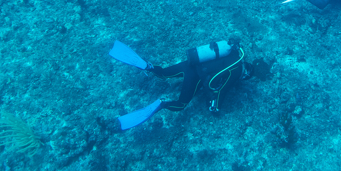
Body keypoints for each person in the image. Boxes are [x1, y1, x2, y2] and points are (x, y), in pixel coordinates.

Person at [108, 39, 253, 130]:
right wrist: (216, 107)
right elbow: (222, 91)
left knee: (163, 73)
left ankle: (148, 66)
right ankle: (163, 104)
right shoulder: (236, 72)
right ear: (245, 75)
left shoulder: (233, 54)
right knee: (181, 104)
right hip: (195, 77)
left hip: (189, 64)